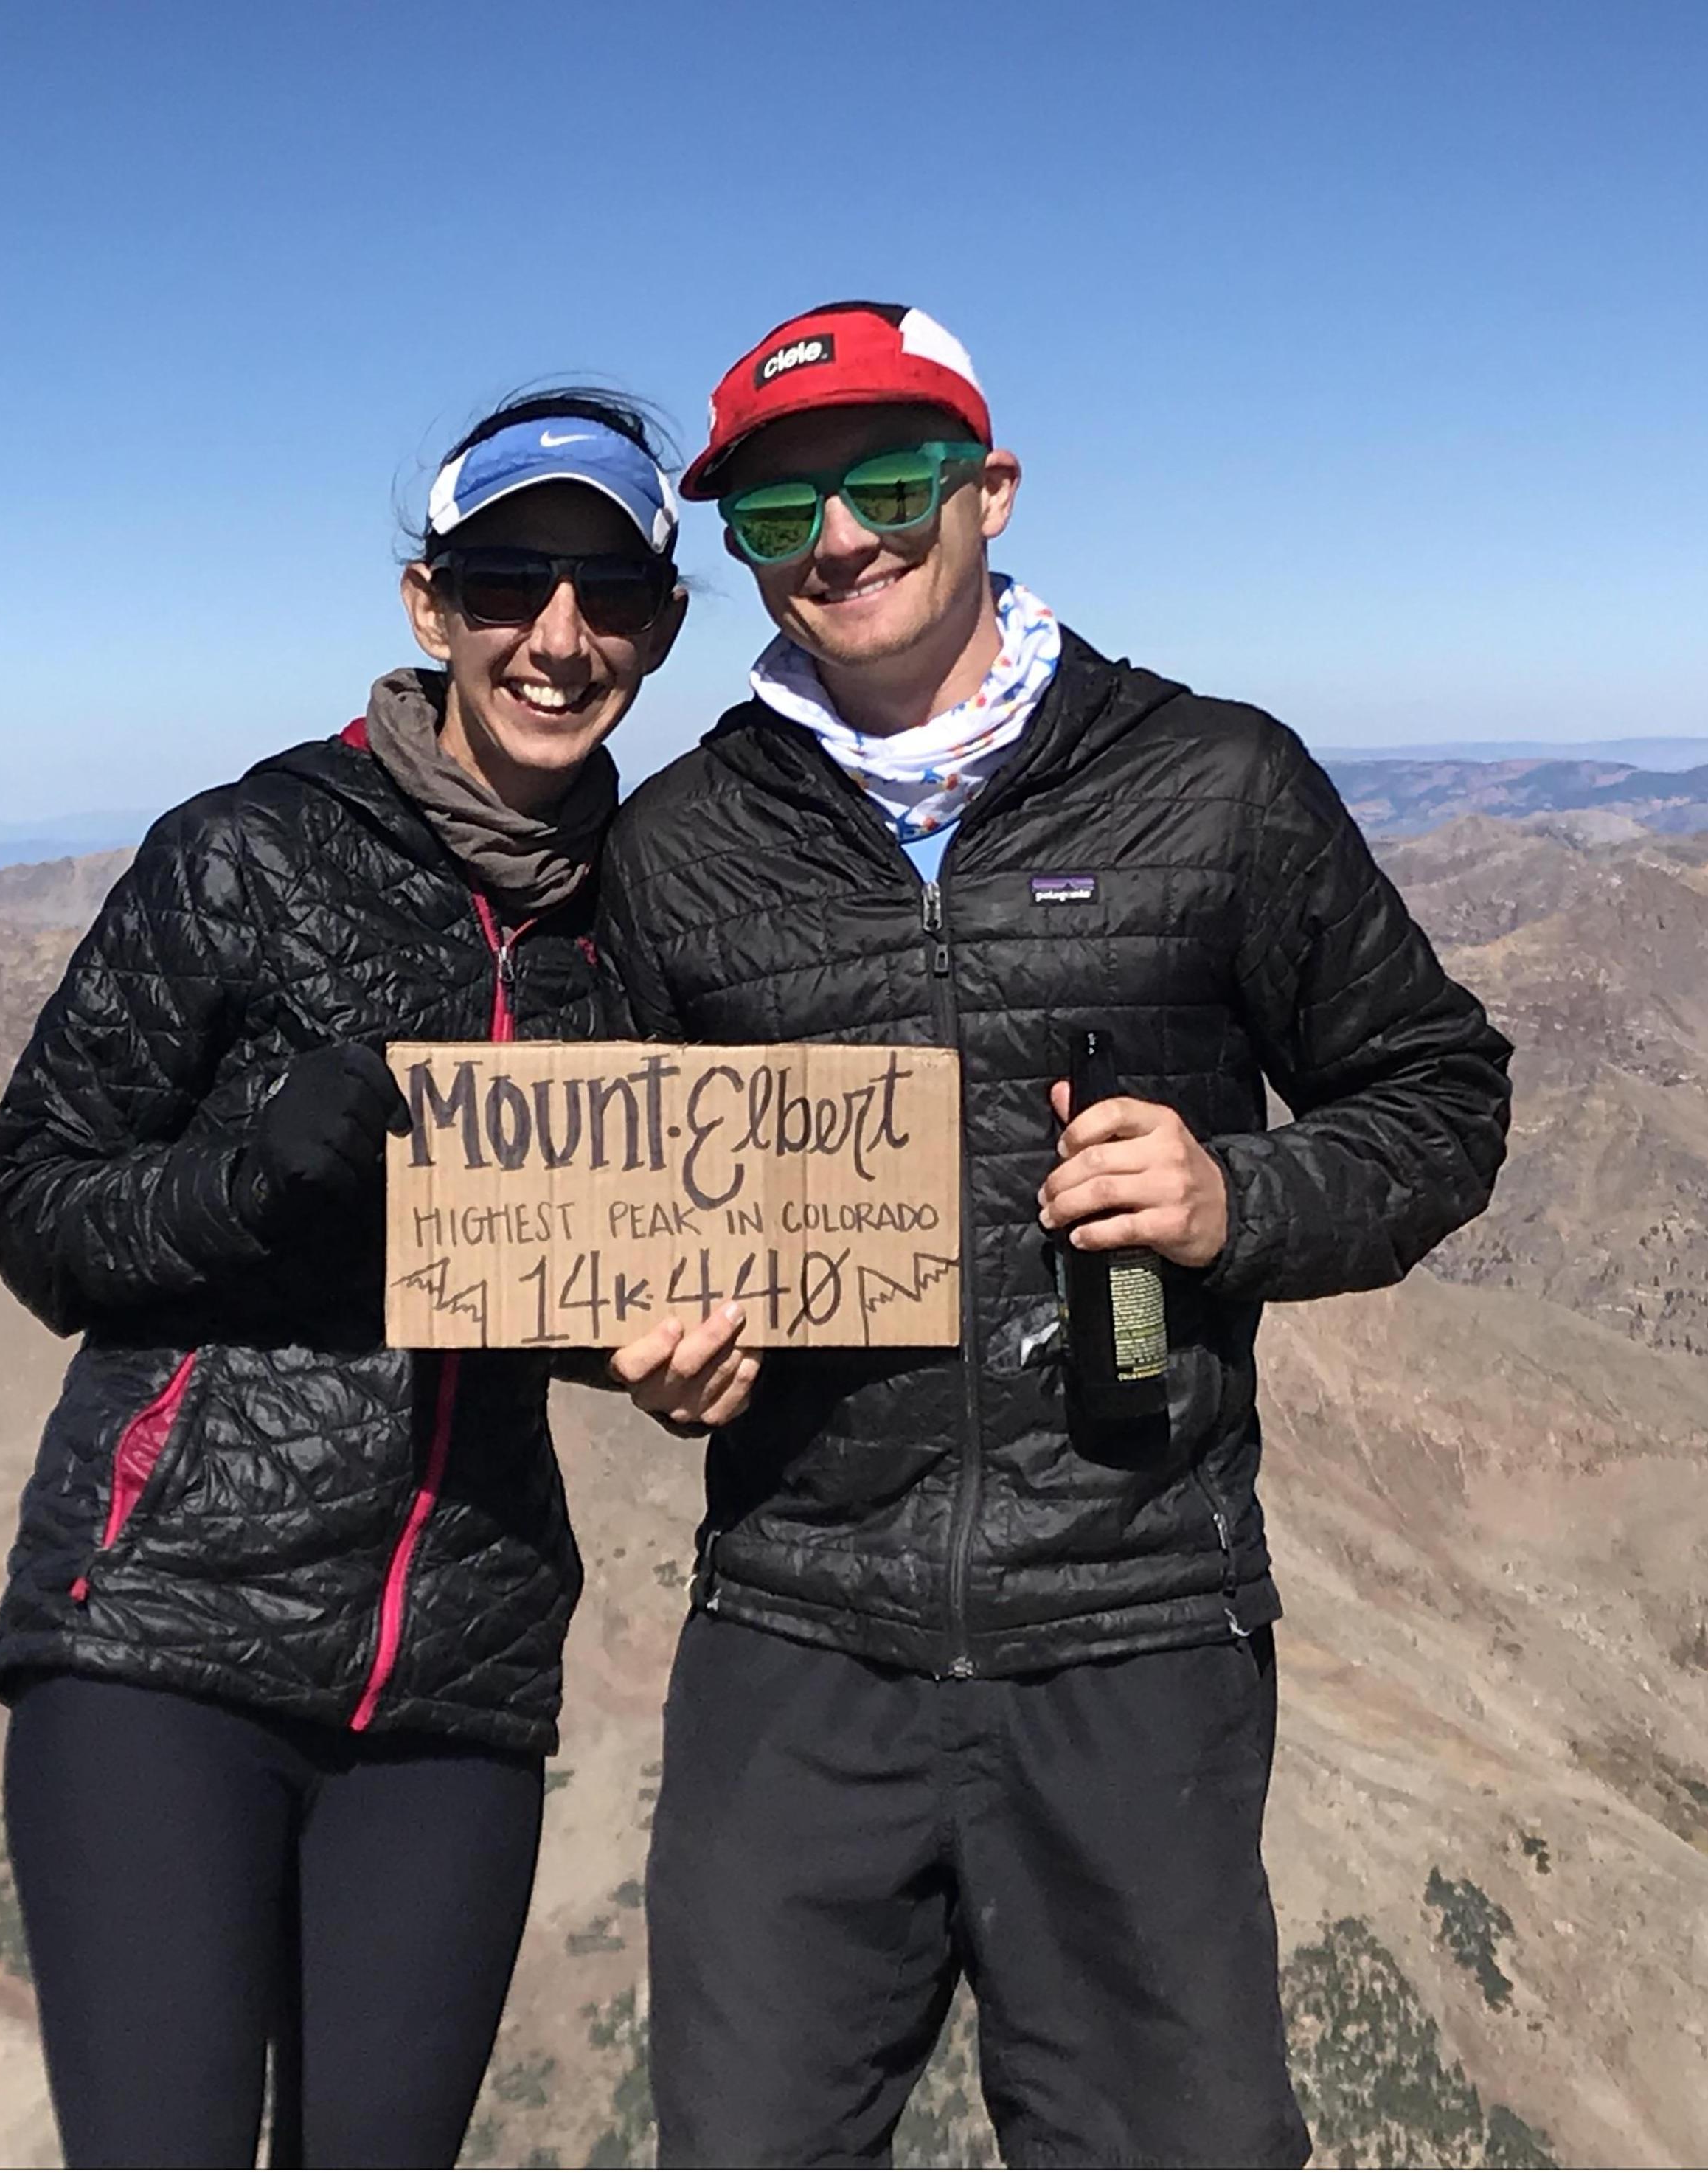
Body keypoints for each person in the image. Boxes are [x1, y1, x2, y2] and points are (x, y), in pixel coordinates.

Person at [596, 301, 1513, 2169]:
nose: (841, 539)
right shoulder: (677, 846)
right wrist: (639, 1346)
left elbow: (1439, 1094)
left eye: (891, 482)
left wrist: (1238, 1199)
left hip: (1136, 1623)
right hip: (796, 1628)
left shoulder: (1216, 781)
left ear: (991, 489)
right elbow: (610, 1203)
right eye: (781, 513)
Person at [0, 389, 722, 2169]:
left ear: (663, 631)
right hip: (161, 1641)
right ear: (429, 607)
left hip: (455, 1668)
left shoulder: (654, 912)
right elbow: (37, 1209)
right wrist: (249, 1179)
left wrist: (652, 1359)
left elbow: (588, 1264)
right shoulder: (243, 855)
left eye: (608, 595)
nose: (556, 636)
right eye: (508, 584)